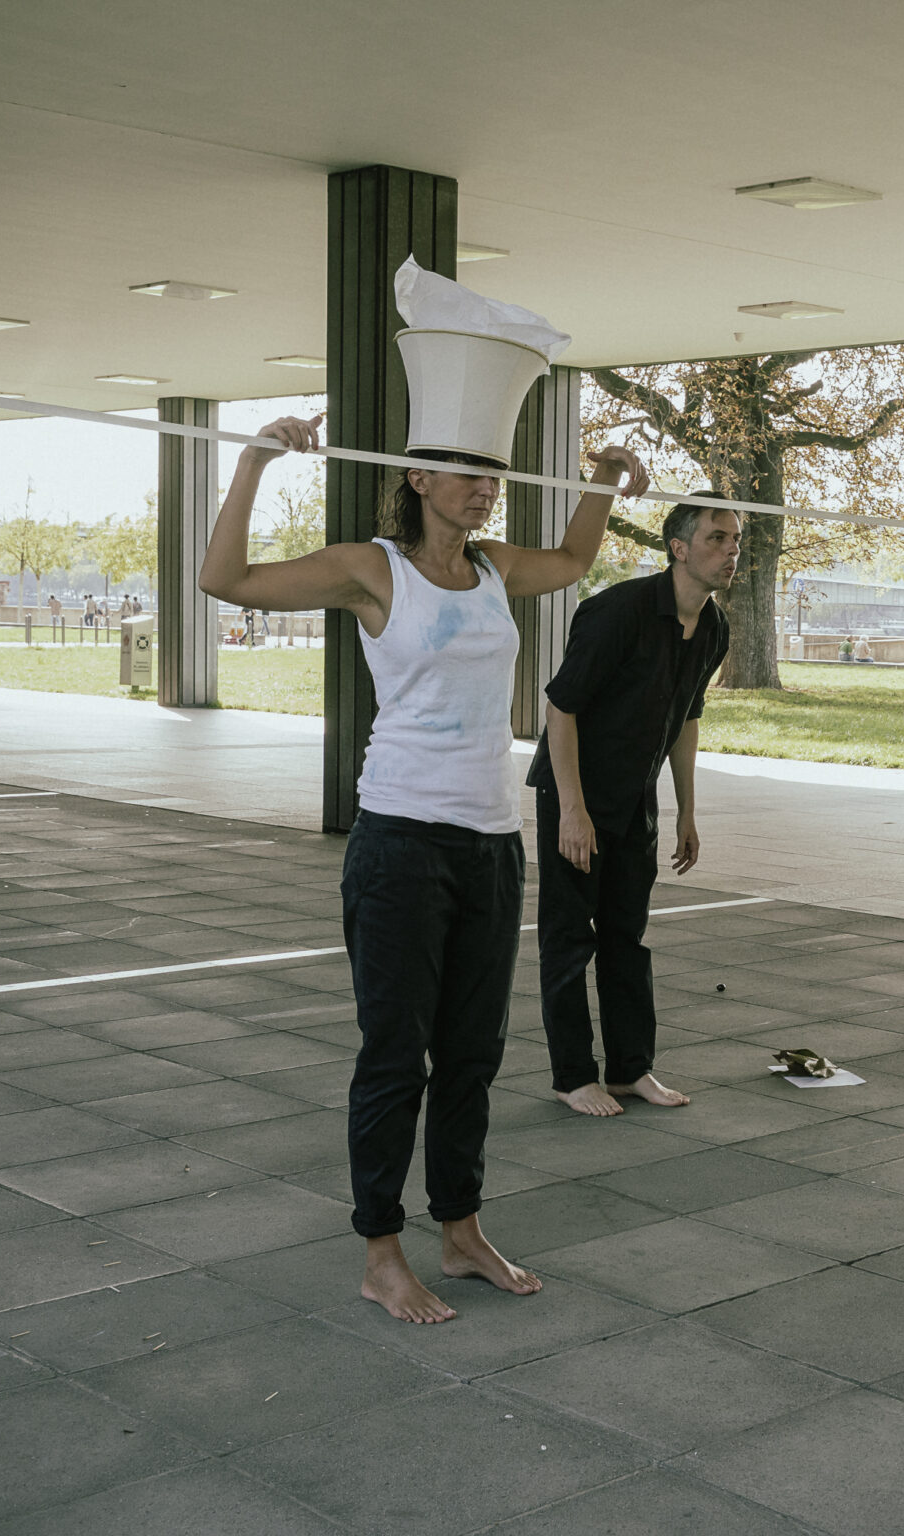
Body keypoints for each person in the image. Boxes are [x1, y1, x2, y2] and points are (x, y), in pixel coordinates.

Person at [199, 411, 649, 1323]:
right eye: (469, 476)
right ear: (416, 479)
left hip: (491, 843)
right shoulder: (373, 568)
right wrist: (252, 461)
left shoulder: (495, 570)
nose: (486, 491)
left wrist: (603, 477)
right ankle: (380, 1251)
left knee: (473, 1056)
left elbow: (570, 561)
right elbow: (224, 580)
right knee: (396, 1057)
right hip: (400, 841)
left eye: (495, 479)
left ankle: (460, 1228)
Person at [526, 495, 736, 1117]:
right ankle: (571, 1076)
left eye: (735, 540)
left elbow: (686, 719)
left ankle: (629, 1069)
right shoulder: (616, 612)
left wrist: (686, 811)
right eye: (718, 538)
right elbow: (561, 708)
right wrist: (572, 809)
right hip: (575, 795)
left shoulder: (715, 628)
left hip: (635, 800)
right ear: (679, 547)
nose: (730, 550)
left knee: (626, 938)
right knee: (569, 939)